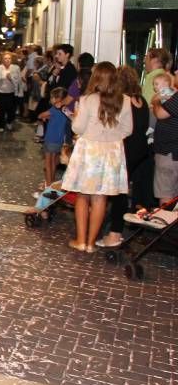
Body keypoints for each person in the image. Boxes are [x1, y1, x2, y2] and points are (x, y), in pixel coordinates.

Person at [61, 62, 132, 253]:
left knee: (83, 196)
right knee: (100, 198)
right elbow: (128, 129)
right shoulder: (125, 100)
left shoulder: (87, 100)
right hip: (111, 154)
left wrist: (76, 116)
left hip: (89, 151)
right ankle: (92, 243)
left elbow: (77, 128)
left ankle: (81, 240)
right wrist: (112, 136)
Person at [97, 66, 153, 247]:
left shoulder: (124, 101)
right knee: (128, 192)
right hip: (141, 152)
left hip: (126, 151)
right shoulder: (141, 100)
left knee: (119, 192)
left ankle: (115, 233)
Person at [150, 72, 178, 207]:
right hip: (173, 151)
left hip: (169, 151)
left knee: (165, 193)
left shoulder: (174, 97)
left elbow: (160, 114)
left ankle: (165, 224)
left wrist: (155, 101)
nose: (175, 73)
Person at [37, 87, 69, 187]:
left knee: (47, 163)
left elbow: (40, 115)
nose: (51, 100)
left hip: (50, 139)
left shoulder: (54, 109)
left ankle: (48, 184)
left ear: (57, 98)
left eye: (52, 98)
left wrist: (45, 117)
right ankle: (52, 182)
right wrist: (49, 117)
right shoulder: (65, 109)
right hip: (59, 141)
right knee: (54, 162)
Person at [0, 52, 22, 132]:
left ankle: (9, 122)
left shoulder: (16, 68)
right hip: (1, 92)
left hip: (12, 92)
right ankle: (1, 125)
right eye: (5, 58)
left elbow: (19, 81)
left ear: (11, 59)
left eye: (9, 58)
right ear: (2, 60)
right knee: (1, 109)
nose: (7, 60)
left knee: (11, 109)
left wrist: (11, 78)